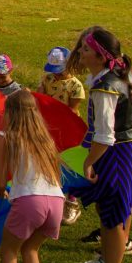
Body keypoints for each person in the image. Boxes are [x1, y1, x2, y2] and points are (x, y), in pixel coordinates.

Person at [67, 26, 132, 263]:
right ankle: (108, 261)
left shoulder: (104, 88)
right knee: (119, 210)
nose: (81, 51)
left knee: (113, 213)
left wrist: (88, 161)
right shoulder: (119, 72)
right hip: (130, 148)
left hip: (115, 153)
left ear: (101, 56)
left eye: (86, 49)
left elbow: (104, 134)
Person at [0, 90, 65, 263]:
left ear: (10, 113)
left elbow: (1, 181)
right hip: (56, 202)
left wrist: (0, 192)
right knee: (31, 250)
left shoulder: (6, 137)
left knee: (9, 253)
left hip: (29, 202)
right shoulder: (45, 140)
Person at [37, 46, 86, 225]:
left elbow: (72, 110)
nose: (56, 75)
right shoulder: (47, 79)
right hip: (48, 126)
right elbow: (41, 99)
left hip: (67, 129)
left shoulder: (76, 86)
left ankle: (72, 201)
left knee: (69, 162)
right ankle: (52, 196)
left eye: (59, 71)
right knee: (49, 160)